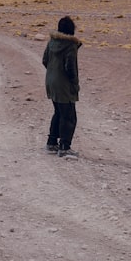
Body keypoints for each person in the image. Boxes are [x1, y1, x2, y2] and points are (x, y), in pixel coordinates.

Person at [43, 15, 82, 157]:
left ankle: (51, 143)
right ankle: (65, 147)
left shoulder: (52, 42)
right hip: (64, 85)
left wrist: (54, 72)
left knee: (58, 112)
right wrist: (74, 84)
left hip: (51, 82)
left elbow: (45, 60)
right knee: (69, 116)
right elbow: (70, 67)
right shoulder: (70, 46)